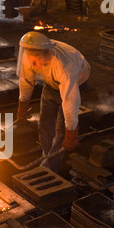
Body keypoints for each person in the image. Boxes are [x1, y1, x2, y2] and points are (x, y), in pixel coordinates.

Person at [16, 31, 90, 173]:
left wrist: (71, 133)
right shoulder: (29, 56)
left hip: (77, 81)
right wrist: (22, 110)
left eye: (36, 60)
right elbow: (26, 82)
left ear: (46, 54)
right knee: (44, 123)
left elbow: (70, 101)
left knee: (61, 129)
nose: (32, 63)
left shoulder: (64, 67)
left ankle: (51, 167)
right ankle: (46, 155)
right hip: (51, 83)